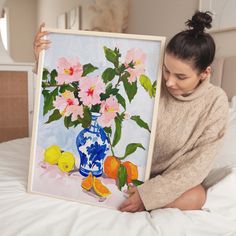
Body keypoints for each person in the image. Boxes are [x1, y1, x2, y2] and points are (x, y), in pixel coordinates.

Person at [33, 11, 229, 213]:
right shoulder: (152, 80)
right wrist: (45, 60)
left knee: (197, 196)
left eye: (180, 76)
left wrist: (149, 195)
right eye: (166, 70)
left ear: (205, 73)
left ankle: (141, 202)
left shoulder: (216, 103)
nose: (169, 82)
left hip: (169, 181)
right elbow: (96, 78)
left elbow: (198, 165)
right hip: (131, 170)